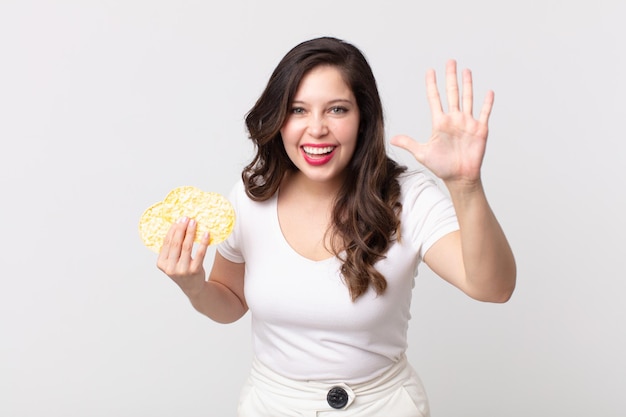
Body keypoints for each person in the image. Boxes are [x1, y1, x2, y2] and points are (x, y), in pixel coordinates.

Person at [156, 36, 516, 416]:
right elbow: (230, 302)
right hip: (272, 405)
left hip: (382, 406)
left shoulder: (408, 197)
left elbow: (493, 287)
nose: (316, 129)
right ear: (278, 119)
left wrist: (465, 186)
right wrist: (193, 286)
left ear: (363, 118)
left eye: (337, 110)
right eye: (297, 110)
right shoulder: (252, 196)